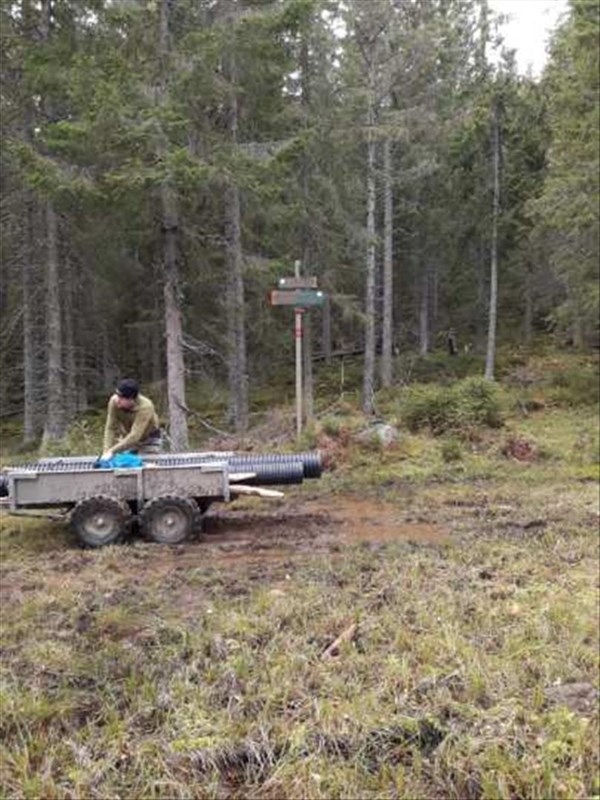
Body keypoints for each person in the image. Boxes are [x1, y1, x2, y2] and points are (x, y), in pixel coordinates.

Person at [101, 378, 162, 460]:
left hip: (148, 438)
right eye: (117, 396)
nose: (117, 400)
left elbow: (135, 436)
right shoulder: (114, 401)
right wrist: (106, 451)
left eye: (121, 398)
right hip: (128, 437)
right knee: (124, 465)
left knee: (147, 466)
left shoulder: (146, 407)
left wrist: (112, 451)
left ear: (131, 400)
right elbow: (111, 428)